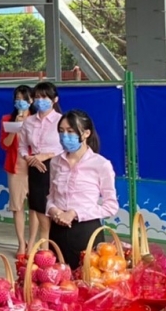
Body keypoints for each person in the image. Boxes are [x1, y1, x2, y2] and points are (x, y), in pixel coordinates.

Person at [46, 110, 119, 269]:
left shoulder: (101, 164)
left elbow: (111, 206)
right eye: (61, 131)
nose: (65, 136)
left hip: (86, 232)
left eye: (70, 131)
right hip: (57, 231)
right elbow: (51, 196)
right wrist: (54, 211)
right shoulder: (55, 162)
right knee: (57, 278)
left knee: (87, 278)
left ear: (86, 133)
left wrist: (75, 213)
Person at [19, 81, 63, 257]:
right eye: (37, 97)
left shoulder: (61, 120)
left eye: (45, 97)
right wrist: (29, 157)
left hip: (56, 167)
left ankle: (58, 252)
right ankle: (45, 255)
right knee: (40, 211)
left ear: (54, 99)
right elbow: (22, 146)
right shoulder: (29, 121)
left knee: (55, 210)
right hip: (35, 168)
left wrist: (47, 155)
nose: (40, 101)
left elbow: (66, 146)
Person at [0, 85, 34, 258]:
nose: (21, 102)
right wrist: (15, 127)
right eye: (17, 99)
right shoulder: (7, 119)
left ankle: (33, 243)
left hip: (35, 168)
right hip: (16, 168)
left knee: (35, 208)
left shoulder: (37, 119)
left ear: (31, 100)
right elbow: (5, 145)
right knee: (17, 207)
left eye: (24, 99)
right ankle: (21, 243)